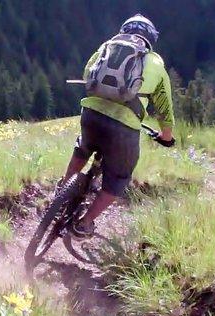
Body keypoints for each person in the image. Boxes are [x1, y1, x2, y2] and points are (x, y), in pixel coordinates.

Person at [62, 13, 176, 238]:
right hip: (123, 128)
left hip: (91, 114)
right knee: (118, 179)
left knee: (83, 147)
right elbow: (164, 107)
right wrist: (166, 136)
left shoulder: (107, 46)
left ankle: (63, 189)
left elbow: (88, 74)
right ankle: (84, 224)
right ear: (151, 39)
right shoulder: (155, 61)